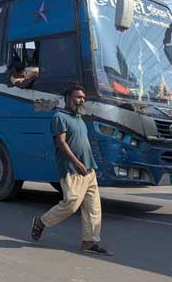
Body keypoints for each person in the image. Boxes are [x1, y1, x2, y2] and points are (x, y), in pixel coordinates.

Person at [31, 84, 112, 256]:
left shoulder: (79, 119)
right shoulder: (60, 117)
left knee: (93, 208)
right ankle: (41, 222)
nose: (81, 100)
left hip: (89, 170)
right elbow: (61, 142)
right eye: (77, 97)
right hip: (72, 169)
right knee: (72, 202)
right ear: (68, 98)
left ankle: (89, 242)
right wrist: (76, 162)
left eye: (83, 97)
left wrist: (90, 164)